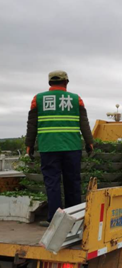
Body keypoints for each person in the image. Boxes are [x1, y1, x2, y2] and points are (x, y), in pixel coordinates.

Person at [25, 70, 93, 226]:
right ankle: (75, 219)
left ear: (50, 83)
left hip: (48, 147)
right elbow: (84, 123)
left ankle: (55, 220)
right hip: (72, 147)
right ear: (66, 82)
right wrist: (89, 143)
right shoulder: (77, 100)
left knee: (52, 183)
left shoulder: (38, 99)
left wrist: (29, 144)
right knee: (73, 182)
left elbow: (32, 124)